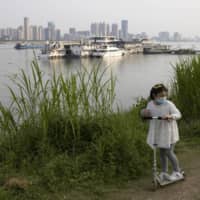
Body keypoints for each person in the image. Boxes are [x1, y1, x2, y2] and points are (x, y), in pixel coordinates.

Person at [141, 83, 183, 181]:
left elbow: (178, 114)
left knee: (169, 152)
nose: (164, 97)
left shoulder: (169, 104)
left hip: (170, 133)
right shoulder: (150, 104)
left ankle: (177, 171)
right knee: (162, 153)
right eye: (161, 96)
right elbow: (146, 115)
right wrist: (144, 113)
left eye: (165, 95)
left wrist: (171, 116)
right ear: (154, 96)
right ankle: (164, 172)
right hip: (159, 133)